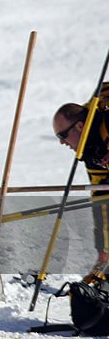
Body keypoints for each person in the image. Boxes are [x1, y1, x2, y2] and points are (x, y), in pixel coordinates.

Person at [52, 88, 109, 282]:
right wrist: (103, 254)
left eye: (63, 136)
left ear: (79, 126)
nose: (62, 143)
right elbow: (101, 201)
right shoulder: (92, 150)